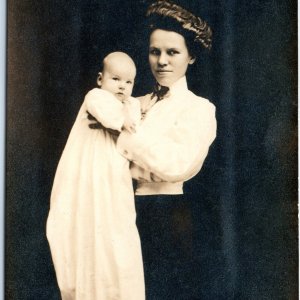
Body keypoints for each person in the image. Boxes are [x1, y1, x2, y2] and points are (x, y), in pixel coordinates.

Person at [46, 52, 145, 300]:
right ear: (100, 79)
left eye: (128, 82)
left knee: (114, 227)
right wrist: (121, 121)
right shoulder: (96, 96)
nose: (122, 86)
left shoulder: (129, 104)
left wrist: (130, 114)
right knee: (82, 221)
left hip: (111, 175)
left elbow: (137, 118)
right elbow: (104, 110)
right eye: (116, 79)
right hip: (85, 171)